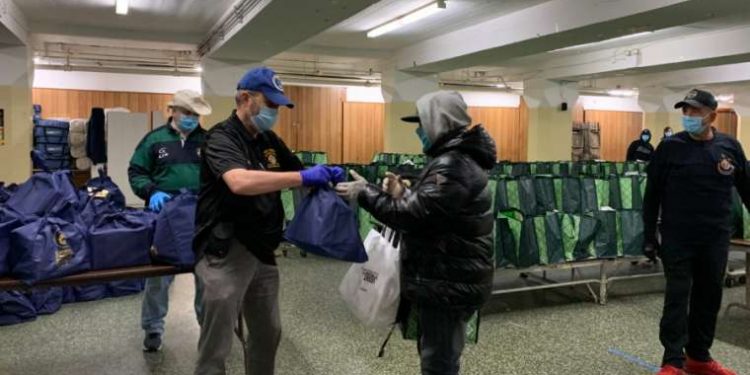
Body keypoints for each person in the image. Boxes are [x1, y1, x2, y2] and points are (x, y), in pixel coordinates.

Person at [193, 66, 343, 375]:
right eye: (270, 104)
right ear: (246, 98)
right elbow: (240, 182)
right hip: (227, 251)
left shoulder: (268, 139)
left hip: (263, 250)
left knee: (267, 333)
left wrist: (328, 177)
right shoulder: (220, 137)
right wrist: (301, 176)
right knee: (217, 344)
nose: (275, 111)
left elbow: (299, 175)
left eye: (278, 106)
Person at [336, 91, 496, 375]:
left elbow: (413, 216)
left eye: (422, 123)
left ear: (439, 122)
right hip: (448, 276)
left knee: (439, 362)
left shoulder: (453, 164)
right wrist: (403, 193)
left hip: (448, 282)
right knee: (438, 356)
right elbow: (435, 210)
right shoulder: (454, 160)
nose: (418, 131)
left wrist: (366, 193)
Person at [644, 89, 747, 375]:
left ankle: (699, 357)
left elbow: (747, 189)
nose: (688, 117)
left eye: (695, 112)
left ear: (712, 116)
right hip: (678, 237)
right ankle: (672, 361)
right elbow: (651, 195)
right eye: (685, 111)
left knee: (709, 296)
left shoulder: (730, 147)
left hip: (715, 238)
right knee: (677, 297)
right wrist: (649, 236)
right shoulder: (669, 148)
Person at [128, 89, 212, 352]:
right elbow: (137, 171)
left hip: (201, 215)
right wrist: (152, 191)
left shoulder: (209, 141)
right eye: (186, 112)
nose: (191, 118)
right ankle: (152, 329)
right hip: (165, 216)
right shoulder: (154, 140)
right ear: (172, 110)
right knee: (158, 277)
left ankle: (208, 329)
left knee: (207, 276)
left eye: (195, 114)